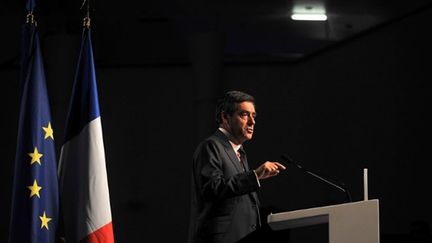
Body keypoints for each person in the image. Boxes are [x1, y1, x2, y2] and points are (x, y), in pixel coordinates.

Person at [188, 90, 286, 243]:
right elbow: (212, 188)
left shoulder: (239, 152)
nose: (252, 122)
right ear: (225, 117)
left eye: (254, 116)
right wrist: (255, 175)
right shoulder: (211, 146)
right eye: (244, 115)